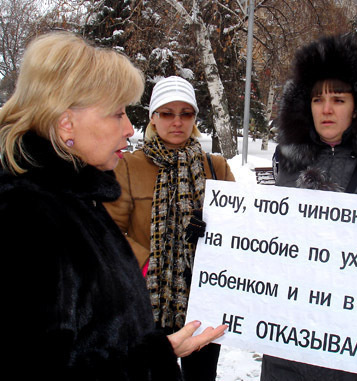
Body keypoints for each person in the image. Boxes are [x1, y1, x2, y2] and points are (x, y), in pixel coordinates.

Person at [0, 31, 226, 380]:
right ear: (66, 123)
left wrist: (159, 351)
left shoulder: (72, 198)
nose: (128, 128)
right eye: (117, 113)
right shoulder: (26, 218)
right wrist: (155, 359)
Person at [261, 33, 357, 380]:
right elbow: (267, 240)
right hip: (288, 345)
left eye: (338, 99)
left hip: (355, 349)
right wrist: (219, 231)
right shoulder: (289, 162)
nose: (326, 109)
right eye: (317, 99)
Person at [105, 75, 235, 381]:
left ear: (194, 118)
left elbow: (238, 231)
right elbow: (109, 231)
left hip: (202, 297)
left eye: (186, 113)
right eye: (167, 113)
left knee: (202, 377)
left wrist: (215, 230)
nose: (177, 122)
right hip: (148, 297)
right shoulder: (128, 165)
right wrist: (149, 262)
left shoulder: (216, 166)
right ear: (153, 117)